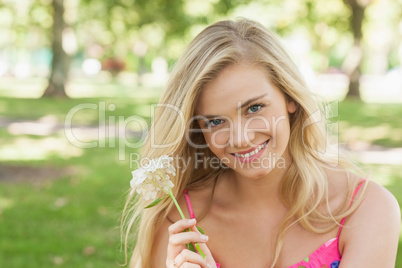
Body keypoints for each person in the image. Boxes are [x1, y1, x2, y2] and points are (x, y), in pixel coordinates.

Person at [122, 18, 400, 268]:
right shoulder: (179, 222)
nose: (241, 138)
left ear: (290, 98)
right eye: (215, 122)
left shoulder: (365, 209)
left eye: (254, 108)